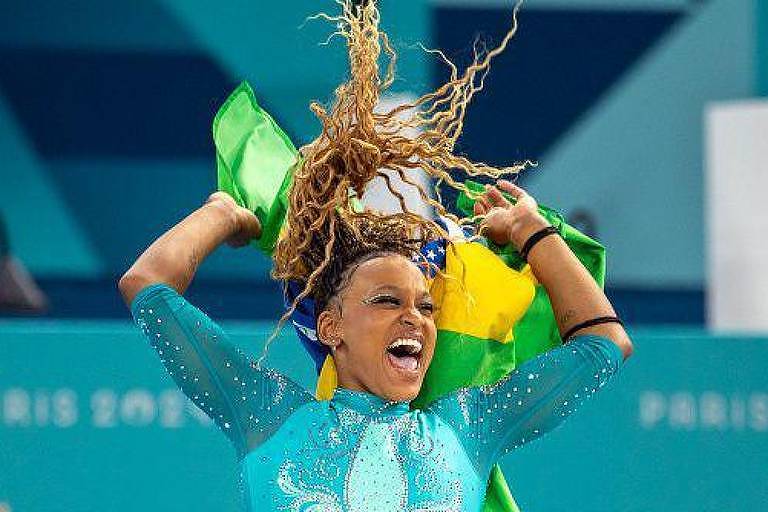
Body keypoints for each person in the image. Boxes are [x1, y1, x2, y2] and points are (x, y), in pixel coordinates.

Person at [119, 2, 633, 509]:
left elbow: (604, 344)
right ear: (330, 327)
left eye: (426, 306)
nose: (415, 316)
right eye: (387, 301)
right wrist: (224, 214)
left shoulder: (471, 427)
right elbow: (146, 286)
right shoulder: (265, 415)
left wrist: (533, 231)